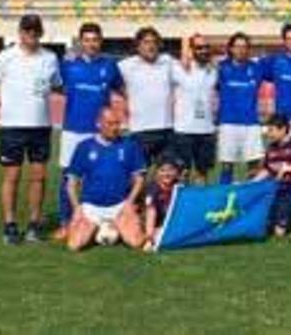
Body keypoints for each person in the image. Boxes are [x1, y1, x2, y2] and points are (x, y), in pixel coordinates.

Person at [0, 14, 61, 244]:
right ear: (20, 33)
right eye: (27, 31)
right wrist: (0, 113)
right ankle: (10, 225)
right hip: (12, 127)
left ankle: (34, 225)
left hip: (41, 126)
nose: (31, 35)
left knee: (39, 176)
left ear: (41, 33)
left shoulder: (50, 58)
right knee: (12, 176)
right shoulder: (6, 56)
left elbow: (57, 85)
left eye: (35, 31)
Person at [55, 22, 122, 240]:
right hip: (73, 129)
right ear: (80, 42)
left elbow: (121, 89)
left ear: (100, 41)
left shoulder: (110, 66)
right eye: (87, 40)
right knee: (68, 177)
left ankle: (100, 218)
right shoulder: (67, 65)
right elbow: (53, 86)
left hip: (99, 132)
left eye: (95, 40)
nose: (91, 44)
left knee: (100, 175)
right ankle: (66, 222)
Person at [65, 108, 146, 251]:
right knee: (74, 245)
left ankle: (114, 225)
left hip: (119, 205)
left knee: (136, 242)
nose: (115, 128)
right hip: (91, 207)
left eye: (117, 124)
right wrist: (77, 208)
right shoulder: (84, 146)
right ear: (98, 123)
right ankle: (99, 228)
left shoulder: (130, 145)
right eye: (110, 124)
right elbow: (71, 183)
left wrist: (129, 203)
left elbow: (139, 179)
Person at [118, 27, 175, 164]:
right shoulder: (125, 66)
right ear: (138, 46)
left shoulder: (168, 62)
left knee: (169, 175)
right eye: (146, 42)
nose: (151, 46)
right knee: (138, 175)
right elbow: (111, 85)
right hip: (139, 130)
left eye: (154, 42)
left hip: (166, 129)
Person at [216, 32, 265, 184]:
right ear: (230, 49)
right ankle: (224, 198)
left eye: (244, 47)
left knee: (254, 166)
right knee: (226, 165)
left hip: (251, 123)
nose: (241, 50)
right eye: (237, 46)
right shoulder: (220, 68)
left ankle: (251, 200)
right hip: (228, 123)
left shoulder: (257, 68)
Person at [171, 34, 217, 184]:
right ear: (191, 50)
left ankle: (200, 205)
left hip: (206, 131)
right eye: (199, 48)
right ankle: (182, 206)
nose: (203, 51)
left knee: (202, 174)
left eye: (206, 47)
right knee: (182, 174)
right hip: (184, 131)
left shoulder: (214, 70)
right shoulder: (178, 68)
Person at [255, 114, 291, 238]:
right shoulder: (271, 148)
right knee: (269, 228)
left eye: (271, 130)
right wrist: (251, 183)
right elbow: (267, 171)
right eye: (268, 130)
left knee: (279, 233)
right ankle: (280, 216)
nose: (268, 134)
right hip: (276, 192)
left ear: (283, 129)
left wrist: (288, 169)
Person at [142, 160, 181, 251]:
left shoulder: (179, 187)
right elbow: (149, 211)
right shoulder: (152, 188)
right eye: (162, 170)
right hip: (151, 224)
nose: (166, 174)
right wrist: (150, 235)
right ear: (157, 173)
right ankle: (149, 238)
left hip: (169, 225)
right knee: (151, 208)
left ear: (176, 172)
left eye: (170, 170)